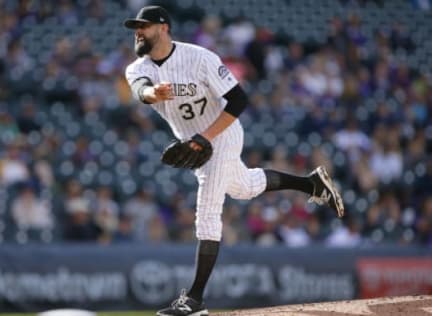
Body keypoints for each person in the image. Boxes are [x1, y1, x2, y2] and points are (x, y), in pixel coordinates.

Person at [123, 6, 345, 316]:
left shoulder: (199, 58)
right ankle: (312, 185)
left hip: (222, 133)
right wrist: (151, 94)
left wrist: (206, 137)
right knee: (244, 187)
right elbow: (138, 90)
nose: (137, 32)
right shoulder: (137, 68)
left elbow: (239, 99)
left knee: (208, 210)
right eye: (135, 27)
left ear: (163, 28)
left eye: (143, 26)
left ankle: (195, 300)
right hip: (197, 145)